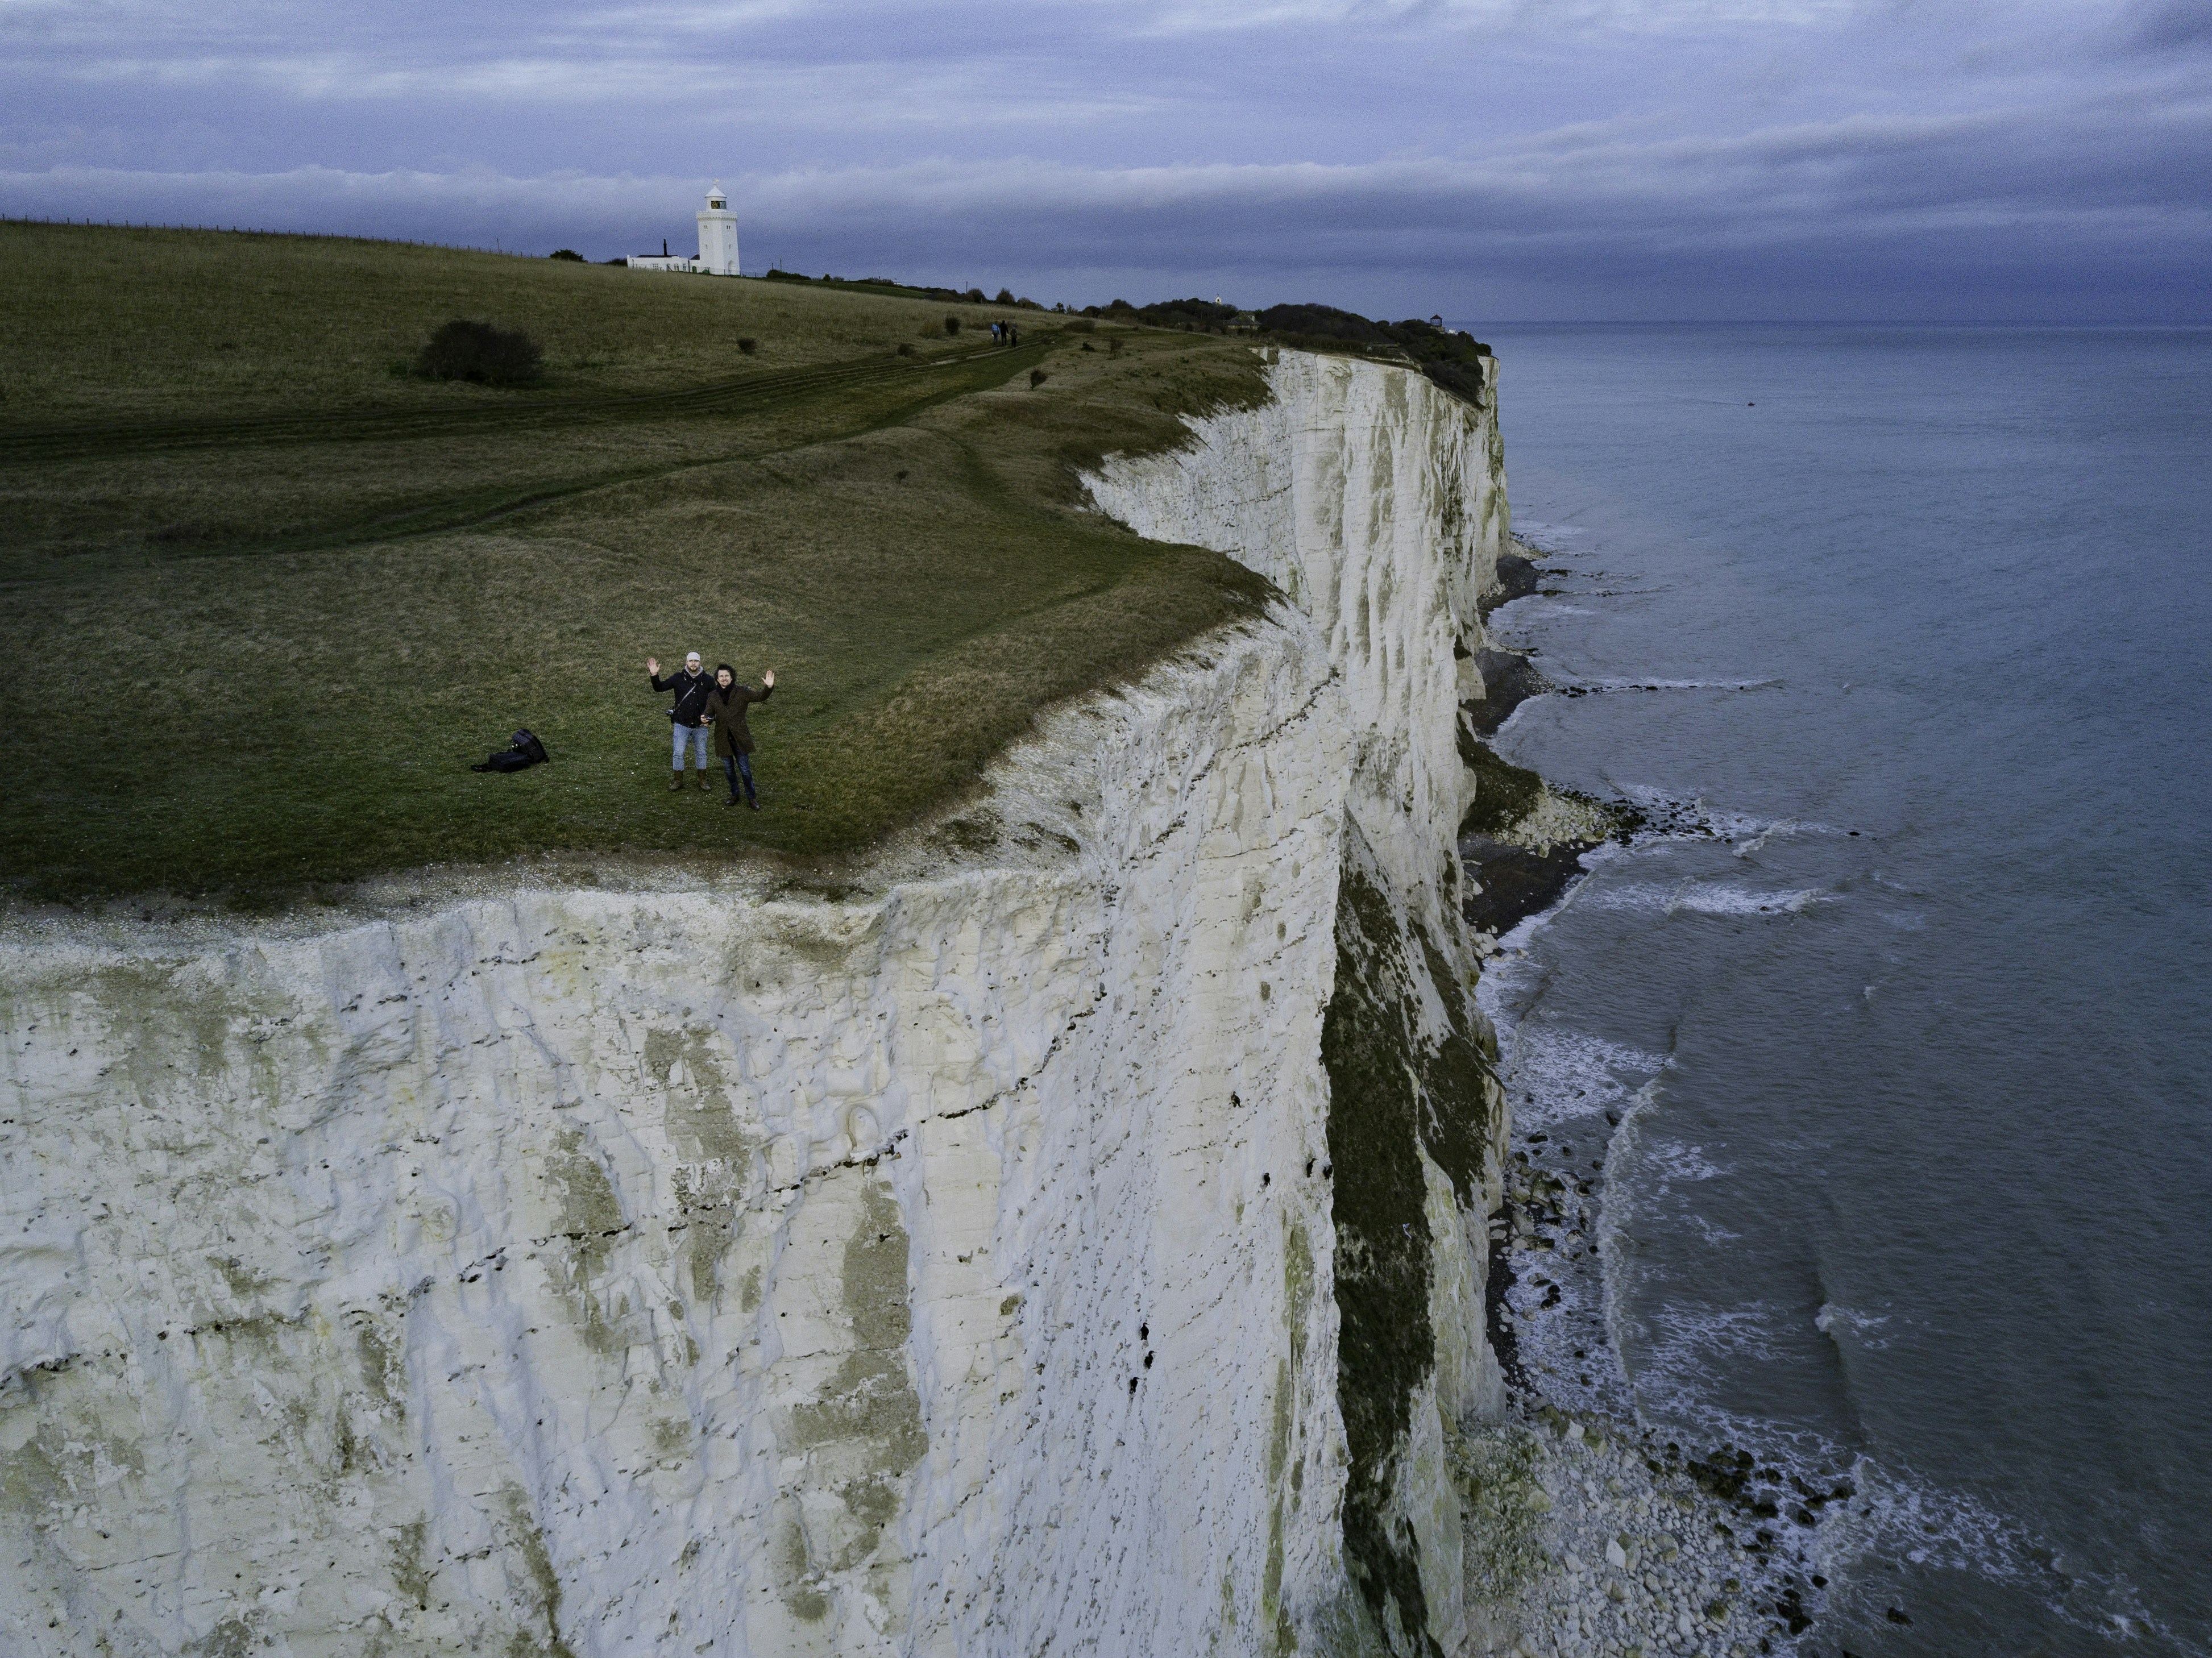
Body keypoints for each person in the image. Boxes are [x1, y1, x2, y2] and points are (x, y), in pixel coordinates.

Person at [703, 663, 775, 809]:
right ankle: (734, 795)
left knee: (745, 770)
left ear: (732, 677)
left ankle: (752, 798)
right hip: (723, 739)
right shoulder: (712, 696)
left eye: (727, 676)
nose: (724, 678)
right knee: (729, 770)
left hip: (740, 738)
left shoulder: (742, 692)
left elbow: (760, 697)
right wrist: (705, 719)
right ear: (717, 679)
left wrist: (768, 687)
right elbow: (708, 713)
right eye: (721, 676)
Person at [648, 650, 717, 790]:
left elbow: (716, 702)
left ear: (700, 663)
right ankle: (678, 781)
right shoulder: (678, 678)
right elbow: (659, 688)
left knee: (702, 753)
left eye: (696, 661)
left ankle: (702, 780)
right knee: (678, 753)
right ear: (686, 662)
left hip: (700, 725)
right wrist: (654, 675)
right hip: (681, 723)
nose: (693, 664)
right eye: (691, 661)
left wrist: (710, 719)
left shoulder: (709, 680)